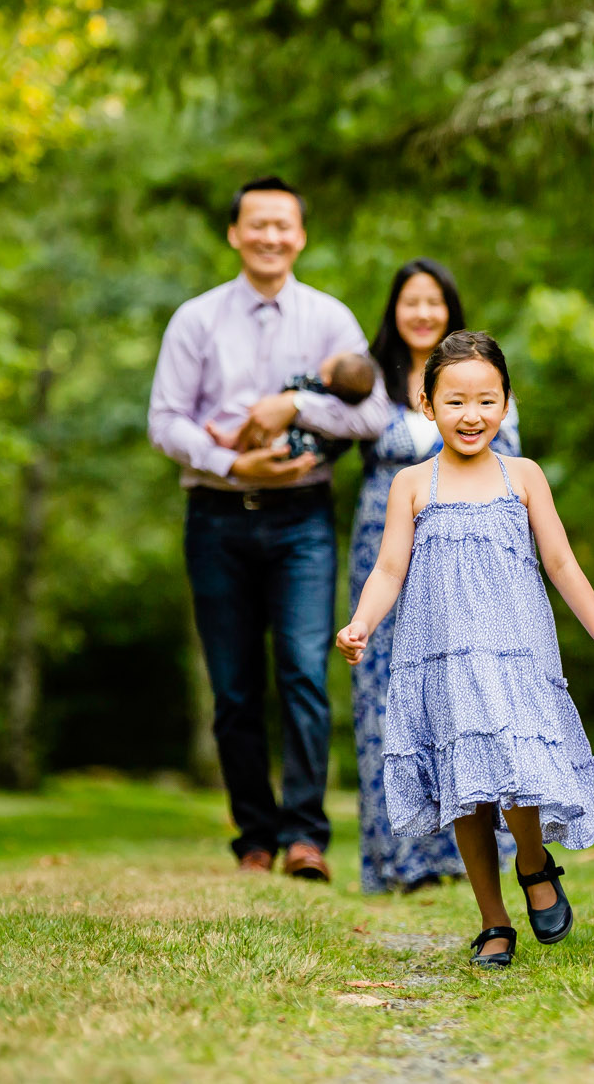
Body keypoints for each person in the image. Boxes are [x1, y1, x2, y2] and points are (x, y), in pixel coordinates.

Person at [337, 332, 594, 967]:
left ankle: (532, 862)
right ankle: (493, 921)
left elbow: (561, 561)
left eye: (486, 400)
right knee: (464, 789)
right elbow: (389, 569)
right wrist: (360, 623)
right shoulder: (413, 484)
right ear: (426, 404)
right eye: (455, 401)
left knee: (519, 766)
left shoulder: (522, 476)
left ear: (506, 405)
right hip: (441, 655)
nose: (470, 415)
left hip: (515, 650)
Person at [148, 177, 390, 882]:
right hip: (216, 516)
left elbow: (370, 414)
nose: (270, 236)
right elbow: (164, 421)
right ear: (234, 233)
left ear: (300, 235)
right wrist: (232, 460)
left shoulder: (329, 320)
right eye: (257, 224)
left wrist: (293, 405)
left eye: (283, 224)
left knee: (303, 674)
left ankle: (304, 836)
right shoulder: (195, 320)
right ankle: (253, 834)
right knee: (233, 687)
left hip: (301, 522)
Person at [348, 259, 520, 894]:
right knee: (389, 698)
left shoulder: (477, 378)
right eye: (409, 301)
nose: (421, 312)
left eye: (434, 301)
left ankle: (471, 859)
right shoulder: (369, 382)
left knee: (472, 692)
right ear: (393, 311)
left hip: (467, 557)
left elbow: (509, 460)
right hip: (382, 549)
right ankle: (399, 859)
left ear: (450, 308)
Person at [209, 350, 378, 465]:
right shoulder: (348, 407)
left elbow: (288, 389)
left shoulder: (310, 383)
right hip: (303, 452)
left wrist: (292, 402)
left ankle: (233, 438)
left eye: (332, 359)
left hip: (280, 435)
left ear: (327, 379)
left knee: (261, 415)